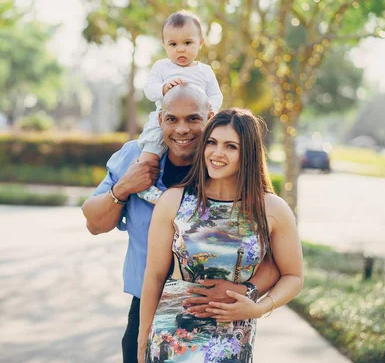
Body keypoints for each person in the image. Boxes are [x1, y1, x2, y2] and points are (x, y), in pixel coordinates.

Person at [82, 84, 279, 363]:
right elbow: (93, 223)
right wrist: (123, 187)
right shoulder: (134, 157)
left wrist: (245, 292)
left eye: (193, 119)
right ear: (160, 119)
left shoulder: (221, 163)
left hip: (211, 312)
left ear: (210, 117)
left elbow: (269, 254)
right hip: (146, 305)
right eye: (172, 119)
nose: (182, 129)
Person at [137, 108, 304, 363]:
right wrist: (143, 340)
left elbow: (293, 276)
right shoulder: (174, 200)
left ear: (247, 154)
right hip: (172, 338)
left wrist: (258, 307)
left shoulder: (272, 209)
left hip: (232, 340)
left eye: (230, 147)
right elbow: (154, 275)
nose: (217, 153)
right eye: (212, 143)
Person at [136, 10, 223, 205]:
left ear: (200, 43)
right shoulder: (162, 67)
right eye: (173, 44)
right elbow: (149, 90)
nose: (180, 49)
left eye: (187, 43)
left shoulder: (204, 71)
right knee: (149, 156)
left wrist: (210, 108)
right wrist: (163, 88)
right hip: (163, 120)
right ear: (164, 45)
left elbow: (216, 94)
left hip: (198, 121)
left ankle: (205, 192)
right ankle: (146, 190)